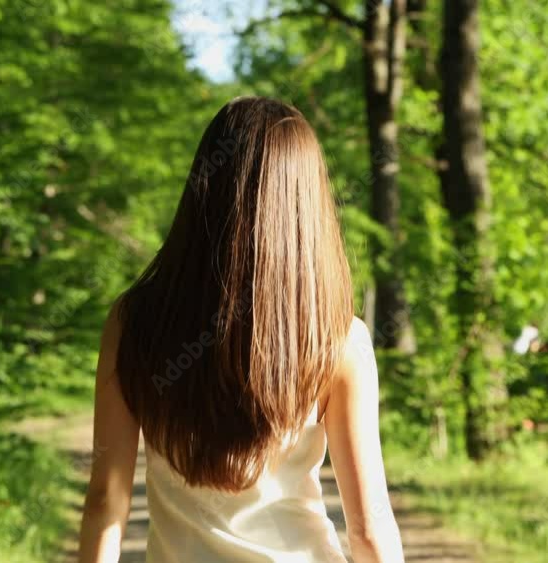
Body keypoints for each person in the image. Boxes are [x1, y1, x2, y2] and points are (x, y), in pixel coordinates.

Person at [78, 97, 404, 563]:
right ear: (306, 205)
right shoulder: (337, 339)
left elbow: (106, 501)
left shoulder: (134, 323)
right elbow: (369, 528)